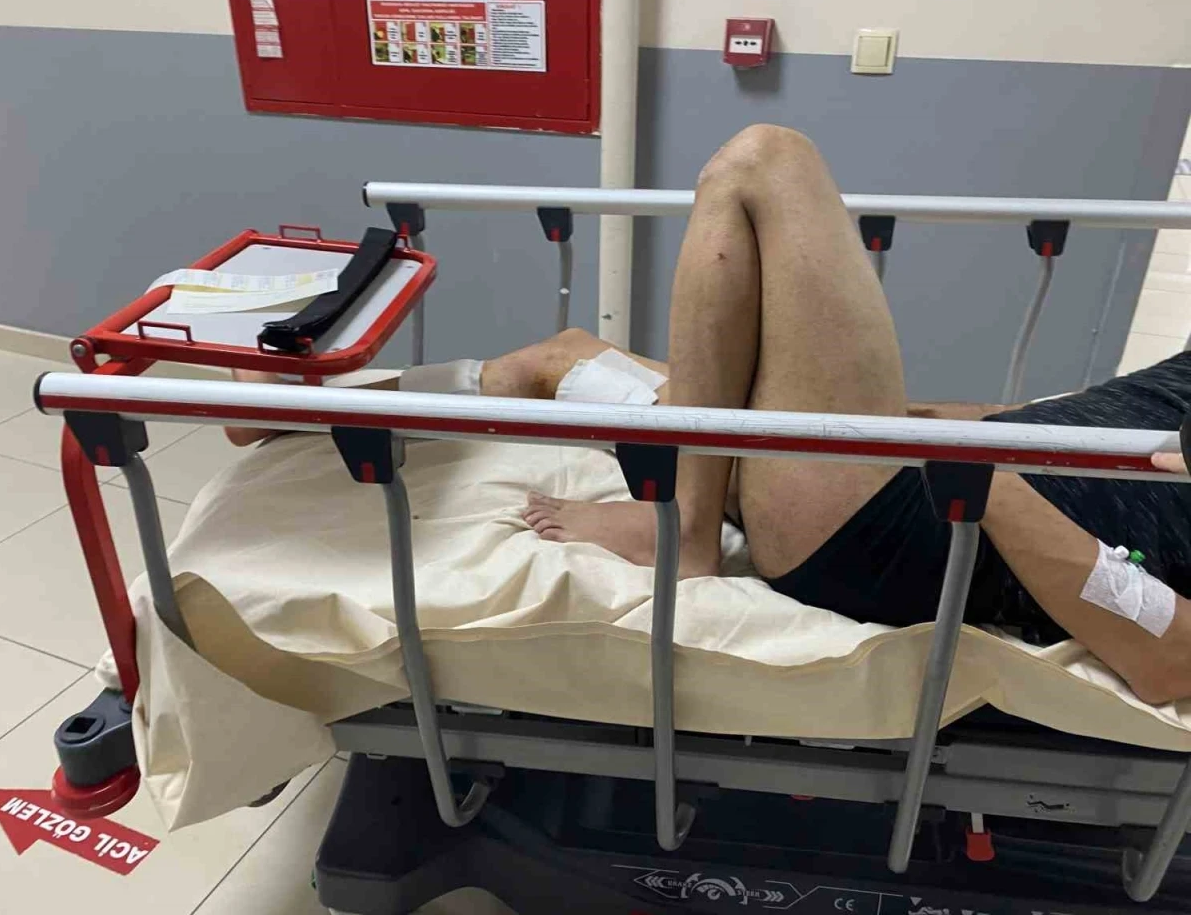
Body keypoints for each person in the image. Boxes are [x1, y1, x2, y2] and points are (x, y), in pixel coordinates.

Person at [229, 125, 1191, 705]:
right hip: (939, 463)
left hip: (918, 528)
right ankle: (294, 410)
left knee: (764, 162)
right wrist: (952, 422)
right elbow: (1094, 419)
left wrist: (981, 467)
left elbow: (1172, 663)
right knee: (560, 360)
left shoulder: (986, 488)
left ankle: (687, 530)